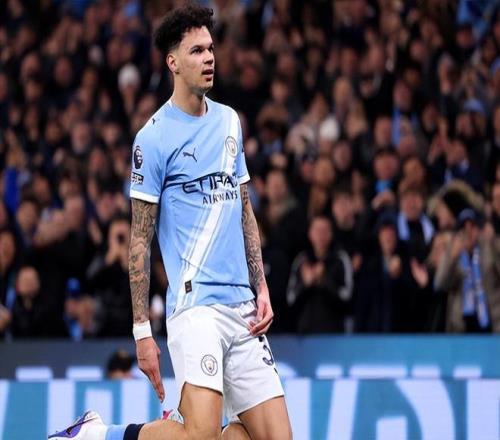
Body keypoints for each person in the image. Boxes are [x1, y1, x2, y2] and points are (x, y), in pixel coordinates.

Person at [49, 5, 292, 440]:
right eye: (197, 51)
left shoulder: (229, 121)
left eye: (211, 48)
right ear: (173, 62)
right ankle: (97, 434)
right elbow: (139, 242)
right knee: (199, 436)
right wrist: (142, 331)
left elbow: (244, 209)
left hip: (243, 308)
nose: (209, 58)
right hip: (195, 308)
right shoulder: (154, 137)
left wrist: (261, 287)